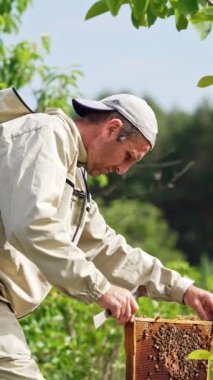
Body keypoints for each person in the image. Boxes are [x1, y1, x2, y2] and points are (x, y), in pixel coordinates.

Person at [0, 87, 212, 379]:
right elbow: (32, 224)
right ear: (112, 128)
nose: (123, 170)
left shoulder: (73, 172)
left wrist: (184, 290)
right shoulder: (45, 135)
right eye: (128, 156)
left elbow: (105, 248)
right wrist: (99, 287)